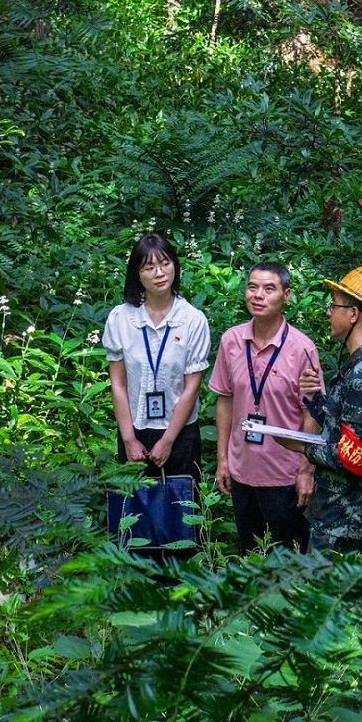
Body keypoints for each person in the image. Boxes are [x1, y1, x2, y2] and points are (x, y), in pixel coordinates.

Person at [99, 231, 213, 552]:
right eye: (149, 267)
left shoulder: (193, 320)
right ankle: (135, 577)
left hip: (180, 434)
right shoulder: (120, 319)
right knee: (133, 512)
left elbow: (192, 388)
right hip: (134, 430)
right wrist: (129, 438)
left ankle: (181, 580)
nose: (159, 273)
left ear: (175, 266)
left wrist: (167, 440)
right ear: (137, 274)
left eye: (165, 263)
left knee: (182, 514)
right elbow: (118, 384)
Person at [209, 261, 322, 552]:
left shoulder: (302, 348)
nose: (258, 295)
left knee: (289, 561)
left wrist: (305, 472)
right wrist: (223, 459)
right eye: (252, 287)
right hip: (241, 470)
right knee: (251, 557)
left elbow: (313, 414)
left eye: (269, 289)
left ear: (286, 295)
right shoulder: (232, 341)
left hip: (283, 475)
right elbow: (225, 399)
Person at [290, 265, 362, 553]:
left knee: (327, 598)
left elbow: (356, 458)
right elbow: (350, 427)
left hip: (346, 521)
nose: (329, 312)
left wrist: (300, 445)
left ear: (353, 314)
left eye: (334, 305)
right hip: (358, 516)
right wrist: (314, 398)